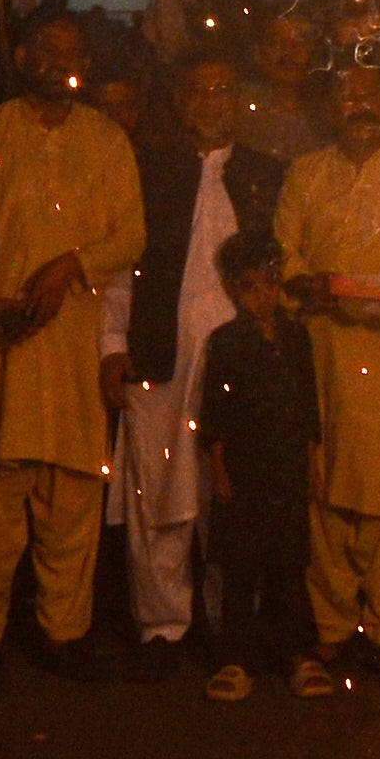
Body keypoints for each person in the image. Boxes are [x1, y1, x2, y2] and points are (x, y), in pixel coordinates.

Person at [0, 12, 144, 678]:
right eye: (49, 48)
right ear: (23, 54)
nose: (61, 60)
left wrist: (71, 265)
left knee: (70, 493)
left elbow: (131, 237)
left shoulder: (106, 139)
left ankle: (65, 630)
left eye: (74, 51)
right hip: (1, 340)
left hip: (73, 343)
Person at [102, 52, 285, 680]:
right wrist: (111, 344)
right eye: (200, 90)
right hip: (162, 355)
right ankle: (162, 627)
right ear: (181, 101)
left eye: (224, 89)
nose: (212, 101)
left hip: (241, 366)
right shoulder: (150, 174)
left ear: (240, 100)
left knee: (230, 494)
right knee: (159, 492)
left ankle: (230, 627)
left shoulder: (265, 178)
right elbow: (123, 264)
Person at [273, 56, 380, 693]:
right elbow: (286, 254)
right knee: (326, 483)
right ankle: (334, 624)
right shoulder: (306, 174)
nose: (360, 108)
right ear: (331, 106)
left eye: (372, 96)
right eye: (348, 97)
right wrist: (310, 286)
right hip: (326, 350)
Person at [196, 230, 318, 700]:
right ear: (232, 289)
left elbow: (308, 406)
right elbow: (216, 413)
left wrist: (312, 462)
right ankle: (236, 658)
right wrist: (220, 468)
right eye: (250, 287)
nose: (263, 296)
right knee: (240, 566)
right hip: (245, 471)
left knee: (289, 564)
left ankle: (295, 654)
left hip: (286, 466)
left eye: (269, 283)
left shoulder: (296, 337)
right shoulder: (226, 342)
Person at [233, 10, 328, 161]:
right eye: (276, 42)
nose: (288, 52)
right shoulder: (237, 107)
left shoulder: (331, 116)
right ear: (259, 51)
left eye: (299, 42)